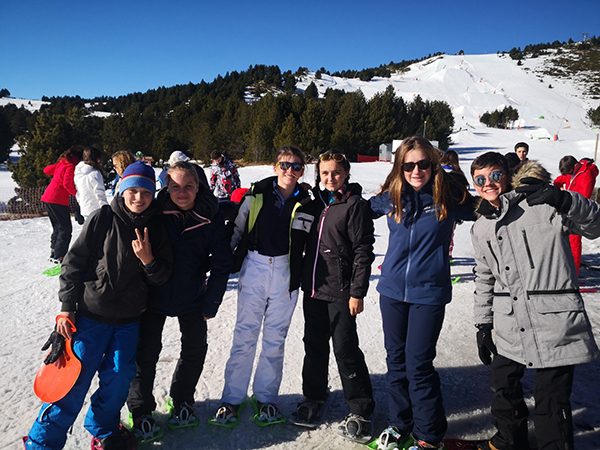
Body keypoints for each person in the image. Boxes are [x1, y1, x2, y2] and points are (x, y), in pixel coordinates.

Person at [25, 161, 172, 450]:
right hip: (90, 317)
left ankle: (104, 430)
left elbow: (162, 276)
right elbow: (73, 263)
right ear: (122, 190)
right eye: (133, 190)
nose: (139, 197)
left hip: (129, 321)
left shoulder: (157, 226)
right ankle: (42, 443)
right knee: (71, 382)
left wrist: (149, 262)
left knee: (118, 380)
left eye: (146, 192)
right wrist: (66, 306)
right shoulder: (103, 218)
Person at [470, 152, 600, 450]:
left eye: (494, 175)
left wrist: (566, 200)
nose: (488, 183)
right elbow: (485, 278)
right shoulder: (481, 227)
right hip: (509, 326)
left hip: (555, 324)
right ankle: (510, 440)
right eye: (480, 179)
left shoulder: (543, 206)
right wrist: (483, 324)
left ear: (507, 175)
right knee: (503, 387)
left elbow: (596, 226)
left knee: (550, 403)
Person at [369, 136, 474, 450]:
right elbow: (360, 210)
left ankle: (428, 434)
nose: (416, 171)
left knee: (418, 364)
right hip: (392, 291)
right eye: (409, 165)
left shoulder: (447, 196)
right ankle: (400, 424)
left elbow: (486, 209)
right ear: (400, 167)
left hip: (428, 293)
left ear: (433, 164)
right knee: (396, 361)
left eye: (423, 164)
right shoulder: (392, 196)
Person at [126, 161, 232, 441]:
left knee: (195, 348)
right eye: (175, 187)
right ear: (166, 187)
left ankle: (183, 399)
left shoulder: (210, 216)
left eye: (188, 186)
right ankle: (141, 410)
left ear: (198, 187)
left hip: (191, 294)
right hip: (154, 294)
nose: (182, 192)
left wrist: (211, 302)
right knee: (146, 352)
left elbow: (222, 264)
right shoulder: (154, 213)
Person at [210, 146, 310, 427]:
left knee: (275, 340)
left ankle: (266, 398)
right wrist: (221, 264)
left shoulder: (307, 201)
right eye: (284, 165)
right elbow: (237, 230)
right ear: (275, 167)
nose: (289, 170)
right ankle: (232, 399)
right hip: (255, 266)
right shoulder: (256, 195)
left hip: (286, 271)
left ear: (302, 170)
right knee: (245, 335)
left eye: (296, 166)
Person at [293, 151, 375, 443]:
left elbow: (363, 251)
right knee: (313, 345)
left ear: (346, 174)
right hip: (314, 289)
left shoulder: (354, 205)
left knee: (345, 348)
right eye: (325, 173)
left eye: (336, 173)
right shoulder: (314, 204)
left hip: (341, 292)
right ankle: (314, 396)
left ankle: (360, 409)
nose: (330, 178)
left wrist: (357, 292)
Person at [554, 156, 599, 274]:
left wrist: (568, 201)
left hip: (578, 212)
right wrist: (555, 187)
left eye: (569, 172)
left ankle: (574, 272)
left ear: (575, 166)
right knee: (564, 239)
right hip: (568, 209)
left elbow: (583, 197)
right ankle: (565, 267)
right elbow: (563, 178)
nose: (568, 175)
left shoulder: (586, 175)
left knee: (574, 241)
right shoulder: (574, 171)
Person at [41, 145, 84, 263]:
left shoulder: (63, 163)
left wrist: (59, 164)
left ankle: (54, 251)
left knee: (57, 226)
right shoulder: (71, 166)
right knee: (65, 228)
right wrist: (77, 194)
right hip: (57, 199)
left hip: (48, 197)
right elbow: (67, 183)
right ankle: (59, 256)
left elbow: (46, 170)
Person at [74, 146, 108, 220]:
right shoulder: (95, 173)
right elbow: (99, 191)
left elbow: (77, 191)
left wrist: (80, 203)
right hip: (96, 209)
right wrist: (104, 206)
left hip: (85, 208)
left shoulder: (78, 172)